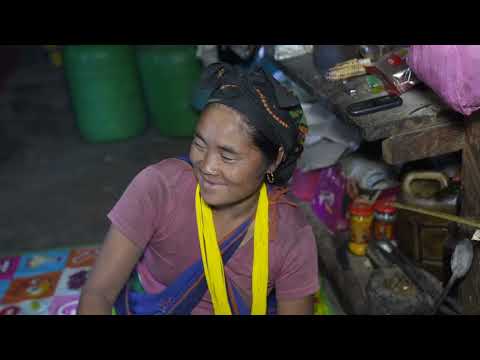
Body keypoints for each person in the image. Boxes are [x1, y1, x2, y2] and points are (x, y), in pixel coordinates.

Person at [78, 62, 320, 315]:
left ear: (275, 160)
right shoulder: (159, 189)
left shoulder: (290, 236)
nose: (206, 166)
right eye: (200, 144)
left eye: (227, 156)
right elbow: (98, 292)